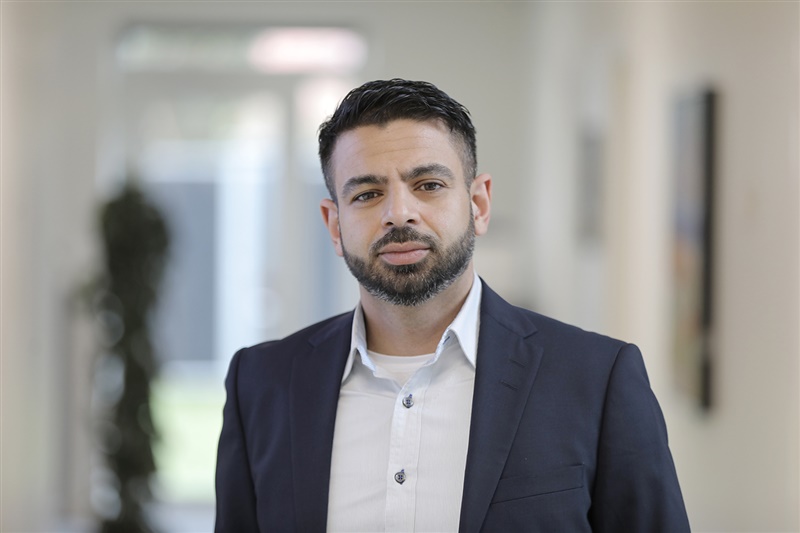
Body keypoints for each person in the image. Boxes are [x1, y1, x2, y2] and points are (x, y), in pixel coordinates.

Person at [215, 79, 690, 532]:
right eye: (367, 194)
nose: (398, 213)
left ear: (479, 204)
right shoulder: (260, 385)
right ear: (334, 225)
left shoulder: (598, 379)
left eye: (428, 185)